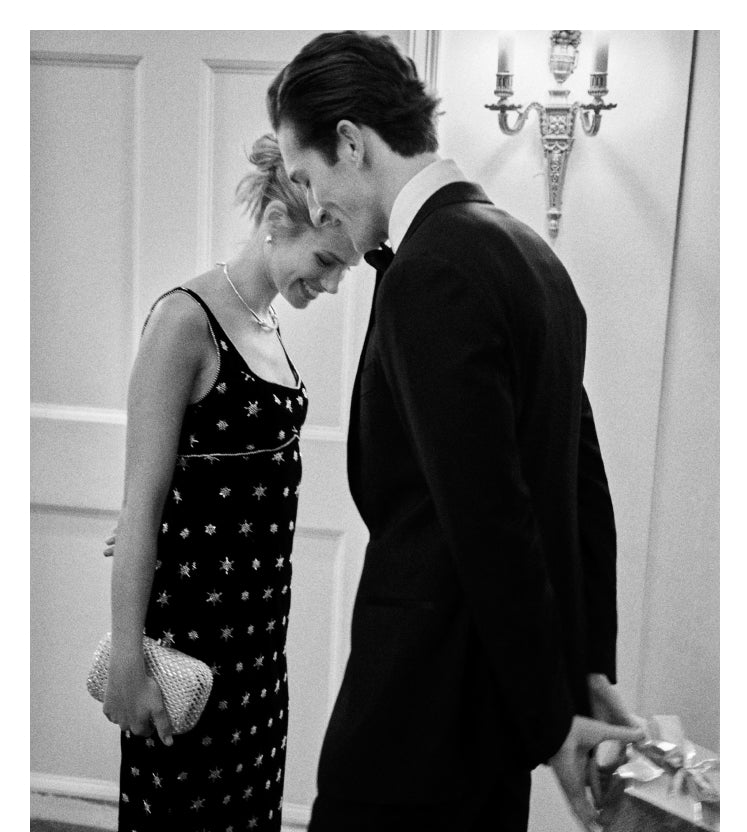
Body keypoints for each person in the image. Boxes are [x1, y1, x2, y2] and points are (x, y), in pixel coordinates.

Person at [268, 31, 644, 832]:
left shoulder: (433, 270)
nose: (312, 207)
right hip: (488, 734)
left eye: (305, 177)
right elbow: (584, 490)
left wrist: (554, 720)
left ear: (350, 142)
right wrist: (584, 668)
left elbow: (490, 520)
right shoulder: (533, 256)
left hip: (419, 721)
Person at [101, 133, 359, 832]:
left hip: (256, 665)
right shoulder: (185, 321)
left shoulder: (267, 324)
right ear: (278, 223)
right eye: (327, 261)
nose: (334, 284)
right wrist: (128, 662)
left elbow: (215, 479)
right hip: (187, 659)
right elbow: (142, 501)